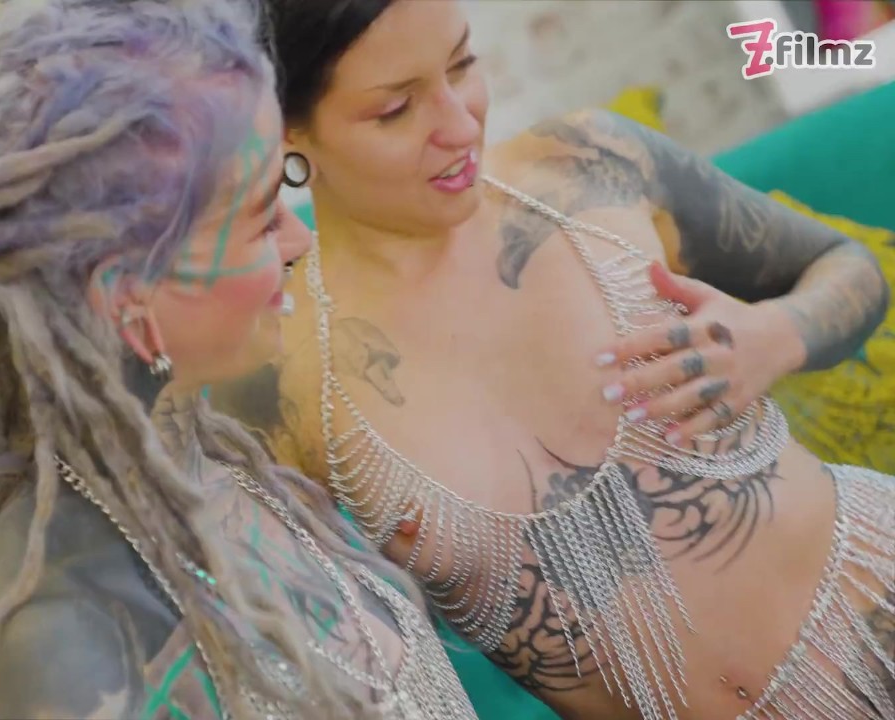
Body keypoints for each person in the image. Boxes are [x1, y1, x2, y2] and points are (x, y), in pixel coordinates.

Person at [0, 1, 482, 718]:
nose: (298, 241)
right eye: (261, 217)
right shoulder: (65, 641)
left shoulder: (221, 459)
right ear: (128, 297)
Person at [212, 1, 895, 719]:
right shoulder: (277, 373)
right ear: (286, 129)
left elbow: (848, 267)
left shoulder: (587, 165)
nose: (460, 123)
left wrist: (775, 336)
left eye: (462, 66)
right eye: (396, 109)